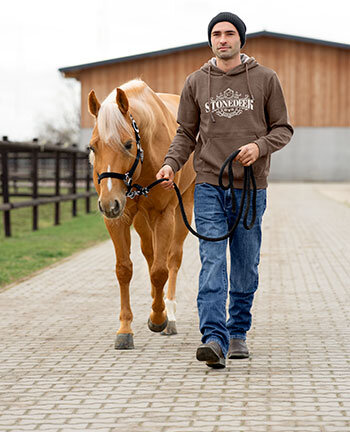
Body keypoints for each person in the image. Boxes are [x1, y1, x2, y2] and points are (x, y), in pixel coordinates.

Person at [156, 12, 293, 369]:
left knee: (245, 266)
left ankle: (237, 334)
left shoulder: (265, 79)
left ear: (240, 39)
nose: (222, 39)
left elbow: (283, 128)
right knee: (213, 263)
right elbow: (185, 133)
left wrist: (260, 147)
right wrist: (171, 163)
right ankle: (213, 339)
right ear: (210, 40)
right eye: (216, 34)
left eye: (229, 33)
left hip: (250, 188)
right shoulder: (196, 82)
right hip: (209, 186)